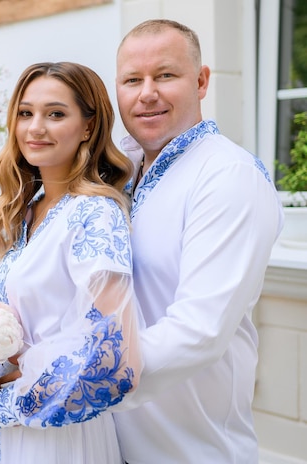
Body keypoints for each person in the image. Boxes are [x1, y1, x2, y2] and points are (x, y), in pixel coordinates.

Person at [0, 62, 142, 463]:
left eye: (55, 114)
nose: (35, 128)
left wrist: (0, 403)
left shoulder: (94, 215)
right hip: (7, 430)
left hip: (58, 440)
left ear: (88, 126)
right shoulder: (25, 211)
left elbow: (114, 357)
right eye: (25, 113)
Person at [111, 19, 284, 463]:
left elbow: (198, 330)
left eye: (165, 75)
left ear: (202, 81)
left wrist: (78, 384)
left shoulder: (228, 176)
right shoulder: (117, 174)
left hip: (191, 451)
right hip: (108, 446)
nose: (146, 92)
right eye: (132, 79)